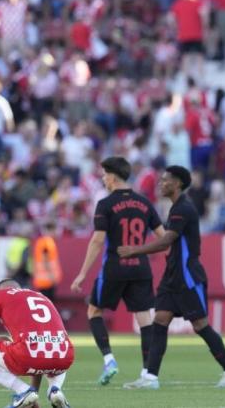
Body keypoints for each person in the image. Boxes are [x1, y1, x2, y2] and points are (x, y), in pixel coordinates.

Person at [117, 165, 225, 389]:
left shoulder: (183, 208)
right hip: (172, 276)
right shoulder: (177, 207)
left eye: (165, 180)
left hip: (187, 276)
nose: (160, 183)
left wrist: (134, 250)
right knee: (160, 321)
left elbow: (166, 241)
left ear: (177, 184)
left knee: (200, 325)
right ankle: (150, 377)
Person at [70, 157, 165, 385]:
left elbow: (97, 240)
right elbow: (164, 237)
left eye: (104, 175)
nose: (103, 179)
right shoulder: (144, 203)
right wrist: (143, 251)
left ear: (112, 176)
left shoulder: (105, 204)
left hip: (114, 267)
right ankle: (147, 375)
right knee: (145, 320)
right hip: (140, 268)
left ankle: (109, 359)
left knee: (94, 311)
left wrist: (83, 273)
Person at [0, 278, 73, 408]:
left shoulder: (0, 294)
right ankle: (55, 389)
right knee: (46, 350)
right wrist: (33, 395)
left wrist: (0, 339)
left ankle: (22, 390)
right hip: (65, 354)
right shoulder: (41, 296)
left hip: (30, 353)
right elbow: (40, 346)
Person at [33, 221, 62, 301]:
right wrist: (51, 275)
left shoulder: (43, 241)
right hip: (47, 280)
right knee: (48, 302)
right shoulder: (46, 242)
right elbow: (45, 259)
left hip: (43, 280)